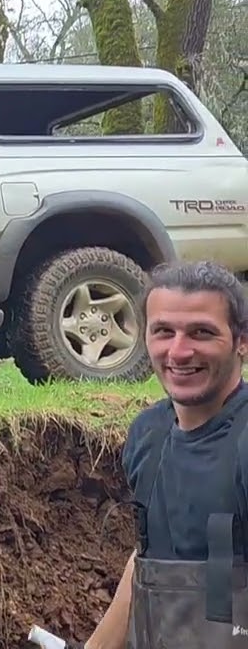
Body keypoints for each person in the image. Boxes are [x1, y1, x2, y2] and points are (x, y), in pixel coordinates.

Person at [84, 260, 248, 648]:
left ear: (242, 341)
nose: (178, 351)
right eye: (163, 332)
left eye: (201, 332)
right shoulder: (148, 434)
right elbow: (145, 560)